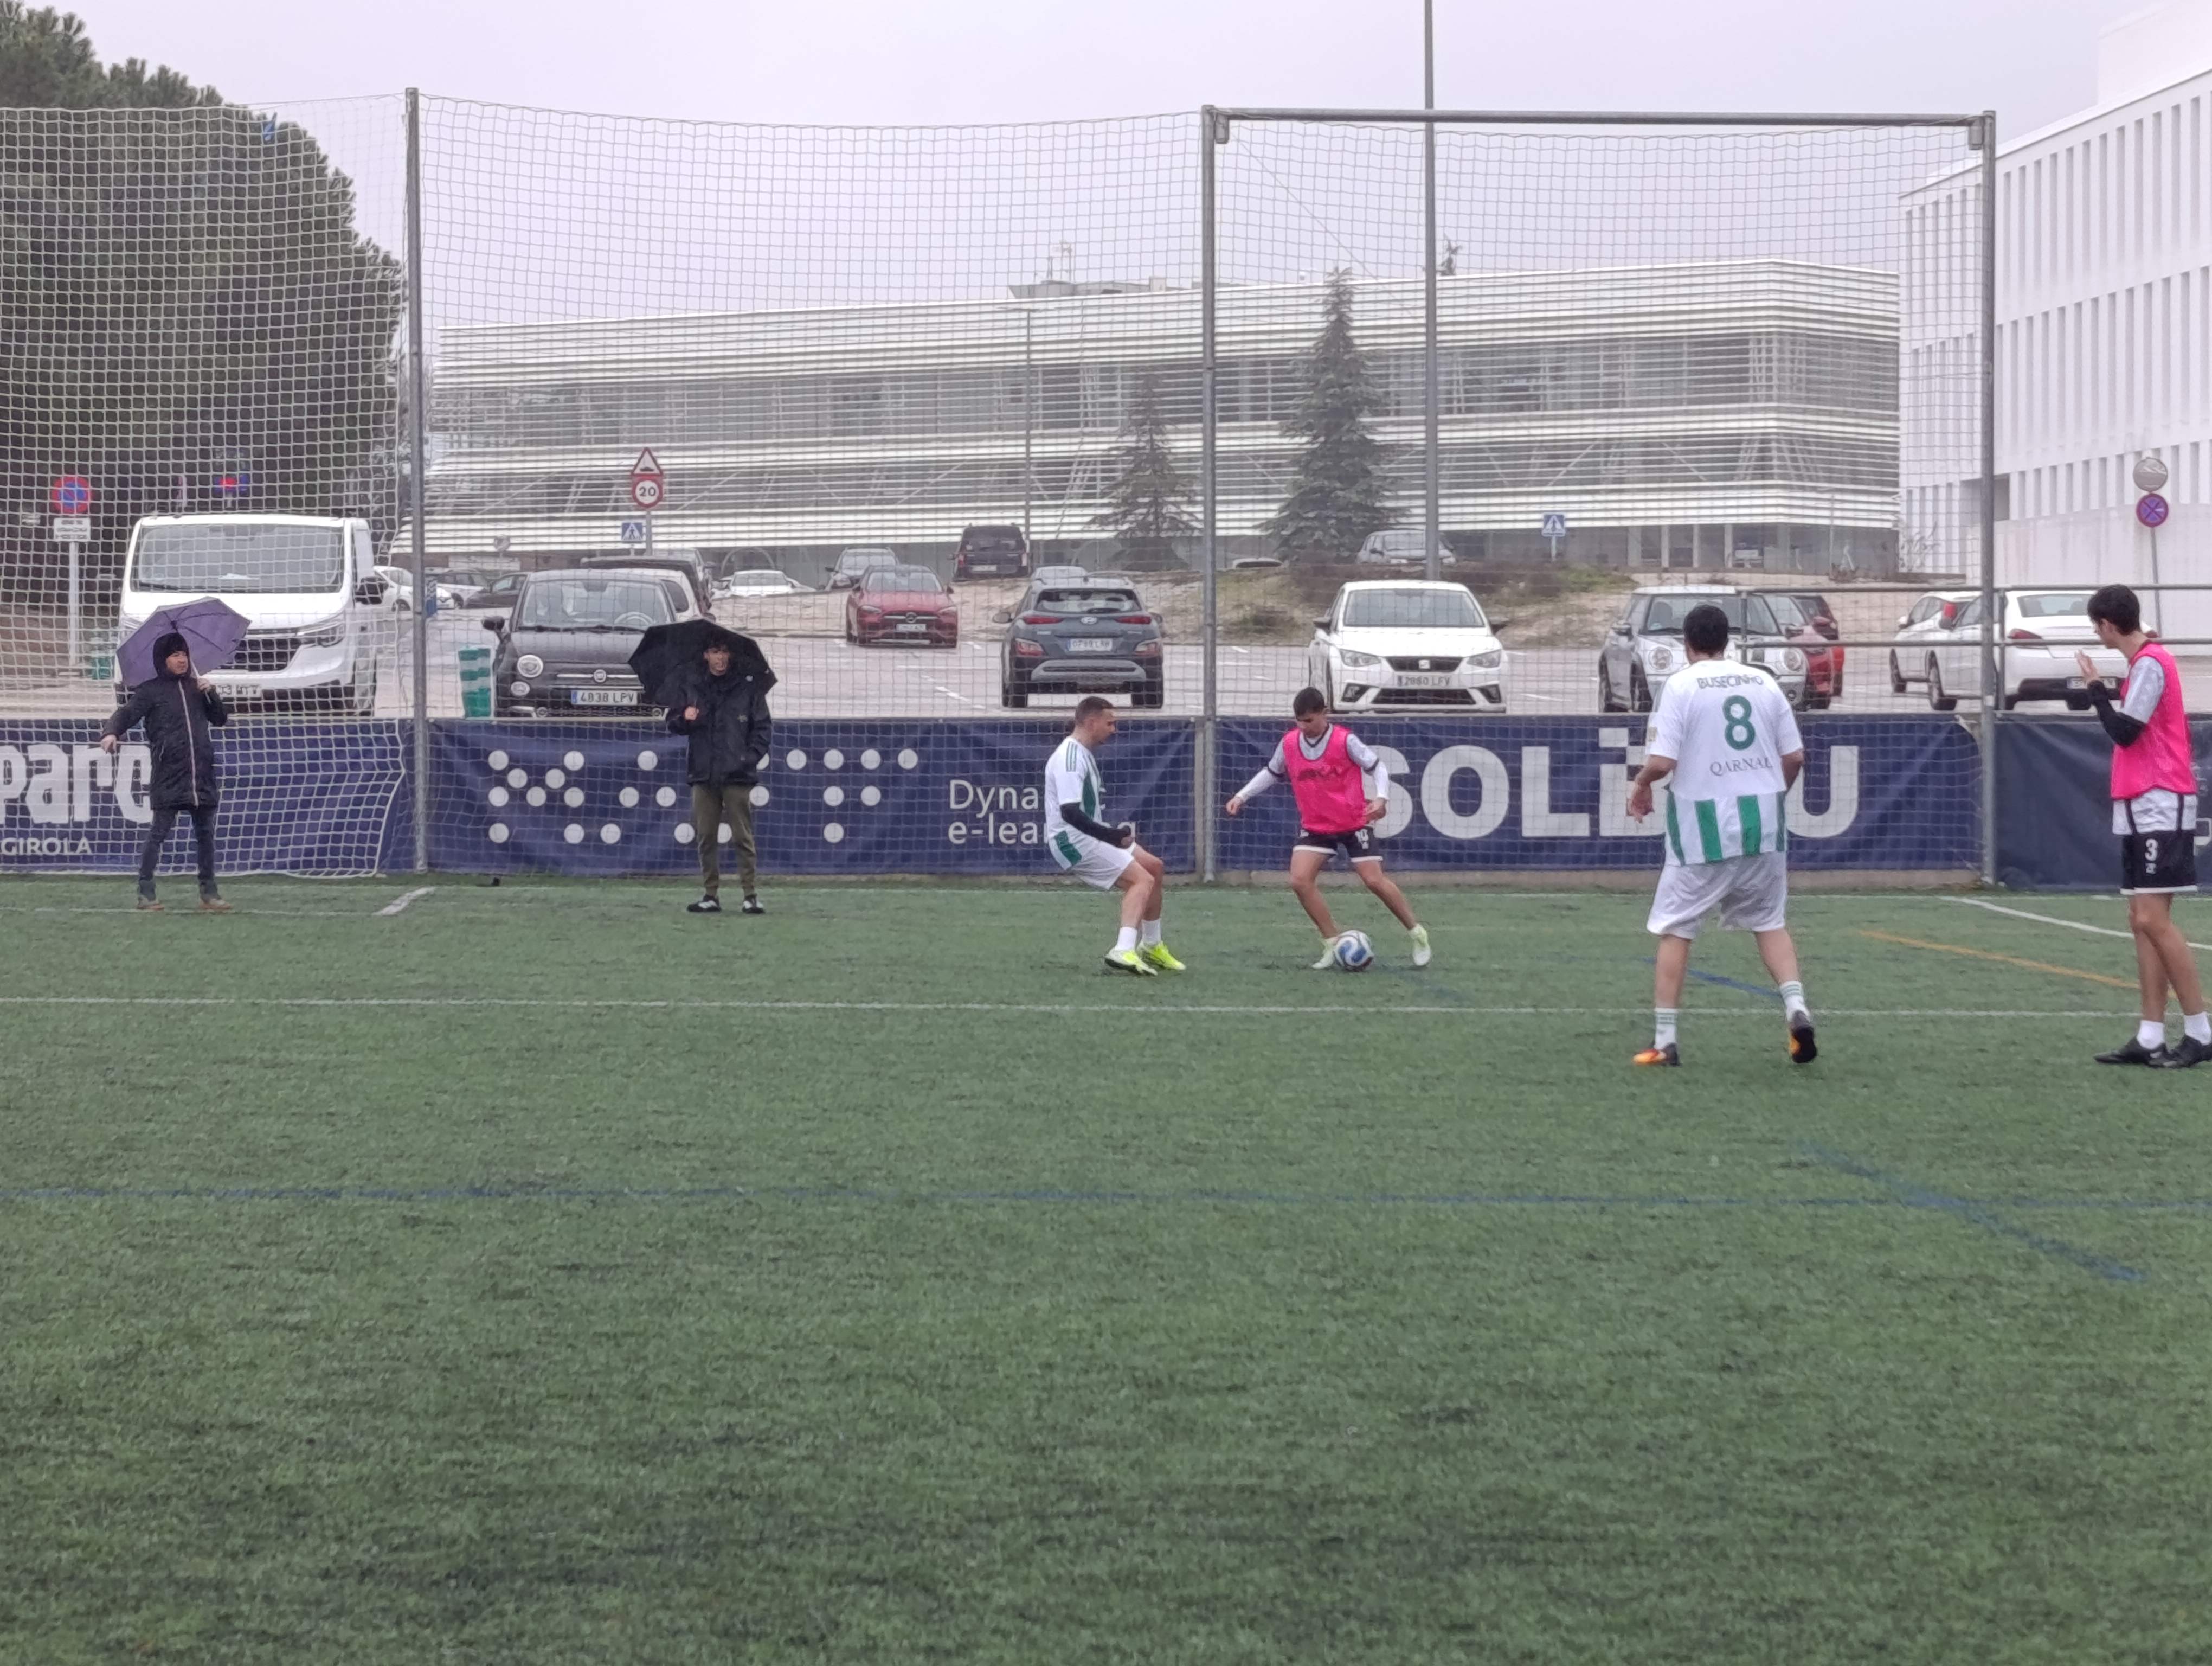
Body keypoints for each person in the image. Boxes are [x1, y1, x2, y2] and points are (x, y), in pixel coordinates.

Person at [1625, 602, 1815, 1067]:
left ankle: (1665, 1041)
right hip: (1764, 823)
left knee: (1676, 928)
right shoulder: (1763, 682)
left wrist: (1641, 783)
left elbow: (1663, 761)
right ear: (1727, 641)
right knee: (1769, 921)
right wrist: (1774, 796)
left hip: (1703, 828)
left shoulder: (1681, 686)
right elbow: (1795, 757)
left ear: (1686, 643)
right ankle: (1797, 1007)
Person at [2076, 582, 2209, 1067]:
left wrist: (2095, 689)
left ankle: (2201, 1030)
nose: (2098, 634)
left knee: (2154, 919)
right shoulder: (2143, 662)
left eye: (2098, 626)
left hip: (2160, 797)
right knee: (2141, 920)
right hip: (2141, 799)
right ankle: (2151, 1034)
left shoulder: (2152, 663)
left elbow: (2125, 732)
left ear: (2109, 625)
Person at [1225, 685, 1431, 968]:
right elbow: (1272, 772)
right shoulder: (1289, 743)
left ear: (1325, 713)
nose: (1303, 726)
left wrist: (1381, 798)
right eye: (1299, 721)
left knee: (1374, 881)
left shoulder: (1345, 741)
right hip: (1317, 826)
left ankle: (1417, 933)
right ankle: (1332, 943)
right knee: (1299, 881)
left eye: (1309, 720)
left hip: (1353, 822)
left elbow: (1378, 768)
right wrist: (1241, 796)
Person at [1045, 695, 1183, 975]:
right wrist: (1110, 836)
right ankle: (1123, 949)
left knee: (1154, 868)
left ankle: (1151, 946)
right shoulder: (1070, 758)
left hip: (1086, 835)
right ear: (1091, 723)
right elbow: (1069, 813)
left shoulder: (1082, 752)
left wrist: (1108, 836)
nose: (1114, 729)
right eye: (1110, 723)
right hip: (1072, 840)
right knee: (1141, 880)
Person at [99, 631, 230, 913]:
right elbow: (127, 713)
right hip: (169, 776)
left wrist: (212, 694)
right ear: (163, 660)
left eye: (184, 654)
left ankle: (209, 894)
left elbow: (220, 719)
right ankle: (145, 893)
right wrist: (111, 732)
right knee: (158, 835)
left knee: (206, 838)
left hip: (201, 777)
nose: (182, 660)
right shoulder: (150, 691)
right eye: (175, 655)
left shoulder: (198, 688)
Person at [666, 632, 772, 915]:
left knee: (742, 837)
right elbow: (673, 723)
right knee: (706, 836)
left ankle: (750, 895)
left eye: (724, 652)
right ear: (706, 656)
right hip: (703, 773)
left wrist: (747, 759)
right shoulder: (692, 686)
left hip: (737, 775)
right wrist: (685, 718)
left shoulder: (748, 687)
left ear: (731, 655)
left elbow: (763, 729)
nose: (720, 658)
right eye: (715, 652)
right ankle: (710, 894)